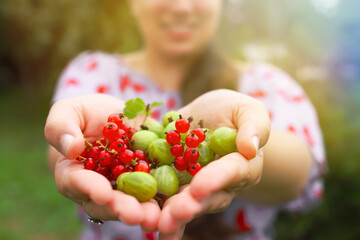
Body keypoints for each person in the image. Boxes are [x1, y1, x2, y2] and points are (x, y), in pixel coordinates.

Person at [44, 0, 326, 239]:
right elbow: (65, 152)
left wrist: (249, 142)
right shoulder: (94, 72)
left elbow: (299, 175)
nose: (181, 6)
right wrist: (71, 148)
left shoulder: (268, 83)